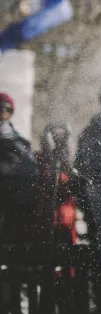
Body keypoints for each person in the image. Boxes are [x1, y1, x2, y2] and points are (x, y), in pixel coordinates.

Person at [0, 92, 41, 242]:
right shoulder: (18, 141)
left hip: (15, 197)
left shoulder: (19, 141)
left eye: (6, 109)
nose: (3, 113)